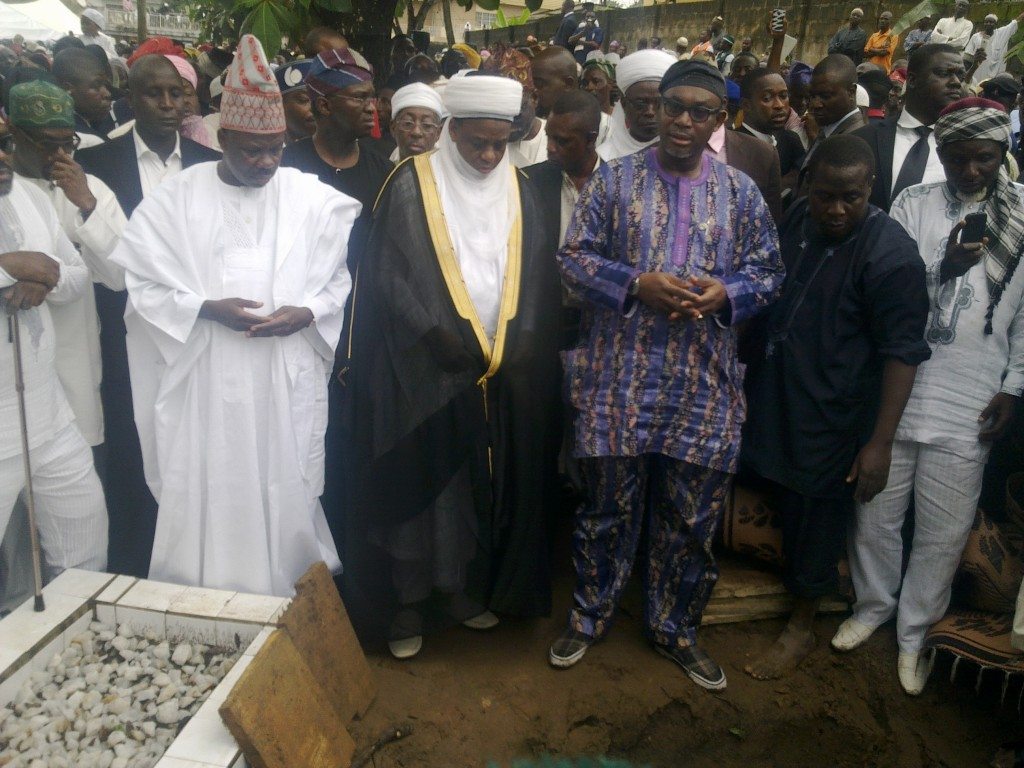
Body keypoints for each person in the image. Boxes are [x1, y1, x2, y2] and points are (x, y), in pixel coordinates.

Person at [549, 60, 784, 690]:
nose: (682, 120)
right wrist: (635, 283)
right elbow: (571, 262)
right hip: (617, 381)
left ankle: (675, 627)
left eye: (699, 110)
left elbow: (769, 274)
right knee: (606, 510)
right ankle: (591, 614)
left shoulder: (741, 193)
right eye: (672, 107)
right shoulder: (613, 183)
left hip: (702, 385)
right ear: (655, 110)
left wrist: (724, 294)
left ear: (719, 119)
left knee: (690, 517)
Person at [109, 35, 361, 597]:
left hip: (281, 378)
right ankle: (208, 601)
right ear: (222, 139)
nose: (266, 162)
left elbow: (337, 280)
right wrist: (204, 308)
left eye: (274, 148)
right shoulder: (175, 199)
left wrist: (308, 312)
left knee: (283, 486)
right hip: (207, 381)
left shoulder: (310, 198)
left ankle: (287, 604)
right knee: (210, 488)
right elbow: (142, 283)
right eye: (251, 150)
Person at [347, 73, 562, 658]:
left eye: (501, 143)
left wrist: (517, 344)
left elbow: (535, 272)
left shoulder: (520, 187)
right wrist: (433, 332)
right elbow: (387, 274)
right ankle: (408, 607)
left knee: (476, 483)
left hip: (495, 368)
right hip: (421, 371)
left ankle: (461, 592)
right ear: (451, 132)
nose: (489, 155)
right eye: (477, 143)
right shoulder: (412, 183)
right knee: (425, 485)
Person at [835, 97, 1024, 696]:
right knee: (877, 509)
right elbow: (889, 290)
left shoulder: (1021, 214)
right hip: (900, 385)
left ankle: (915, 631)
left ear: (1002, 154)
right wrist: (940, 265)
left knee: (945, 527)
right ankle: (873, 607)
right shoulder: (912, 204)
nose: (971, 171)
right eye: (959, 158)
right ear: (940, 152)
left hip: (973, 390)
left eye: (985, 158)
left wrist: (1014, 386)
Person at [741, 134, 930, 680]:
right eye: (826, 195)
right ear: (806, 186)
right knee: (758, 481)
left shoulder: (891, 257)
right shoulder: (799, 216)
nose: (837, 209)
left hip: (833, 407)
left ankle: (801, 622)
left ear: (871, 188)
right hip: (775, 386)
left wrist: (879, 443)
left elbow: (903, 353)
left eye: (851, 197)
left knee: (814, 512)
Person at [75, 55, 221, 578]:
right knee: (134, 451)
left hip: (199, 335)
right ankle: (138, 570)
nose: (168, 105)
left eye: (177, 94)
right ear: (129, 97)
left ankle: (197, 565)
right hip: (124, 336)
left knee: (197, 453)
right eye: (154, 94)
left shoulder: (211, 162)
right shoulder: (98, 164)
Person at [279, 47, 393, 559]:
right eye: (359, 98)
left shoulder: (382, 168)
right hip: (305, 336)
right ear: (323, 106)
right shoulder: (287, 168)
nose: (373, 108)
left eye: (372, 97)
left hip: (368, 338)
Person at [0, 103, 108, 579]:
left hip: (47, 413)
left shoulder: (30, 196)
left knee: (83, 542)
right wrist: (7, 267)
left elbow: (77, 277)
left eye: (3, 146)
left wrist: (45, 275)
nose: (3, 159)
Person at [7, 80, 126, 460]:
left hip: (75, 366)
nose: (60, 155)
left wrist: (88, 205)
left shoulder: (89, 188)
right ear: (14, 136)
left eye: (68, 143)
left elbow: (122, 274)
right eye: (47, 144)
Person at [853, 44, 965, 211]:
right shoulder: (863, 139)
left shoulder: (968, 149)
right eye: (944, 73)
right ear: (912, 80)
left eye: (960, 75)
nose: (956, 82)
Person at [738, 68, 806, 200]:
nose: (779, 105)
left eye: (783, 96)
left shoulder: (790, 140)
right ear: (746, 105)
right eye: (767, 98)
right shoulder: (732, 143)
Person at [597, 49, 676, 161]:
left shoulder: (680, 159)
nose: (650, 112)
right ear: (624, 104)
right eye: (641, 103)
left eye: (659, 104)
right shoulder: (605, 157)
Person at [800, 54, 867, 180]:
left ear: (851, 92)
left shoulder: (854, 141)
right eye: (812, 96)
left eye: (825, 96)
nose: (815, 104)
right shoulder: (826, 129)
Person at [484, 48, 547, 168]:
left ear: (534, 98)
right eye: (499, 115)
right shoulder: (484, 151)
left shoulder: (559, 141)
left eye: (516, 113)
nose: (509, 123)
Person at [51, 49, 114, 146]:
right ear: (67, 88)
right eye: (96, 85)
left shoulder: (50, 126)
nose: (107, 94)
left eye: (104, 85)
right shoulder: (88, 142)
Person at [388, 82, 444, 162]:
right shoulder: (380, 168)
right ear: (393, 128)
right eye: (408, 123)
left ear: (438, 133)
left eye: (427, 125)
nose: (416, 132)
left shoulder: (447, 172)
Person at [964, 11, 1024, 84]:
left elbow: (1015, 22)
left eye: (991, 22)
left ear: (996, 24)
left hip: (994, 76)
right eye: (986, 22)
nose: (988, 24)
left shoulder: (1001, 34)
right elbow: (968, 56)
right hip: (976, 73)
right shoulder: (975, 37)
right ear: (984, 23)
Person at [530, 46, 578, 120]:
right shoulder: (529, 123)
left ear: (568, 84)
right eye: (531, 84)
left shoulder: (597, 125)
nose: (534, 91)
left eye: (539, 84)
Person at [275, 58, 316, 144]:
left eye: (320, 99)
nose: (316, 107)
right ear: (280, 106)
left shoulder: (337, 151)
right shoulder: (269, 152)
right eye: (304, 100)